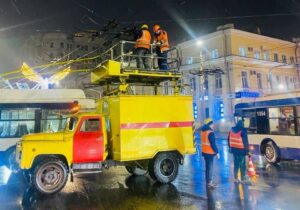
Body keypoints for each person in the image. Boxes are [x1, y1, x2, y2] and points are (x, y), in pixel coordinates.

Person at [201, 118, 219, 188]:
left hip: (205, 152)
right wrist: (217, 152)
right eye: (212, 124)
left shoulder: (203, 131)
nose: (213, 125)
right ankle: (210, 182)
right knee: (210, 168)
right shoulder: (210, 133)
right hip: (210, 153)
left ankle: (208, 181)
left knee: (207, 168)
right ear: (209, 125)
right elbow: (213, 144)